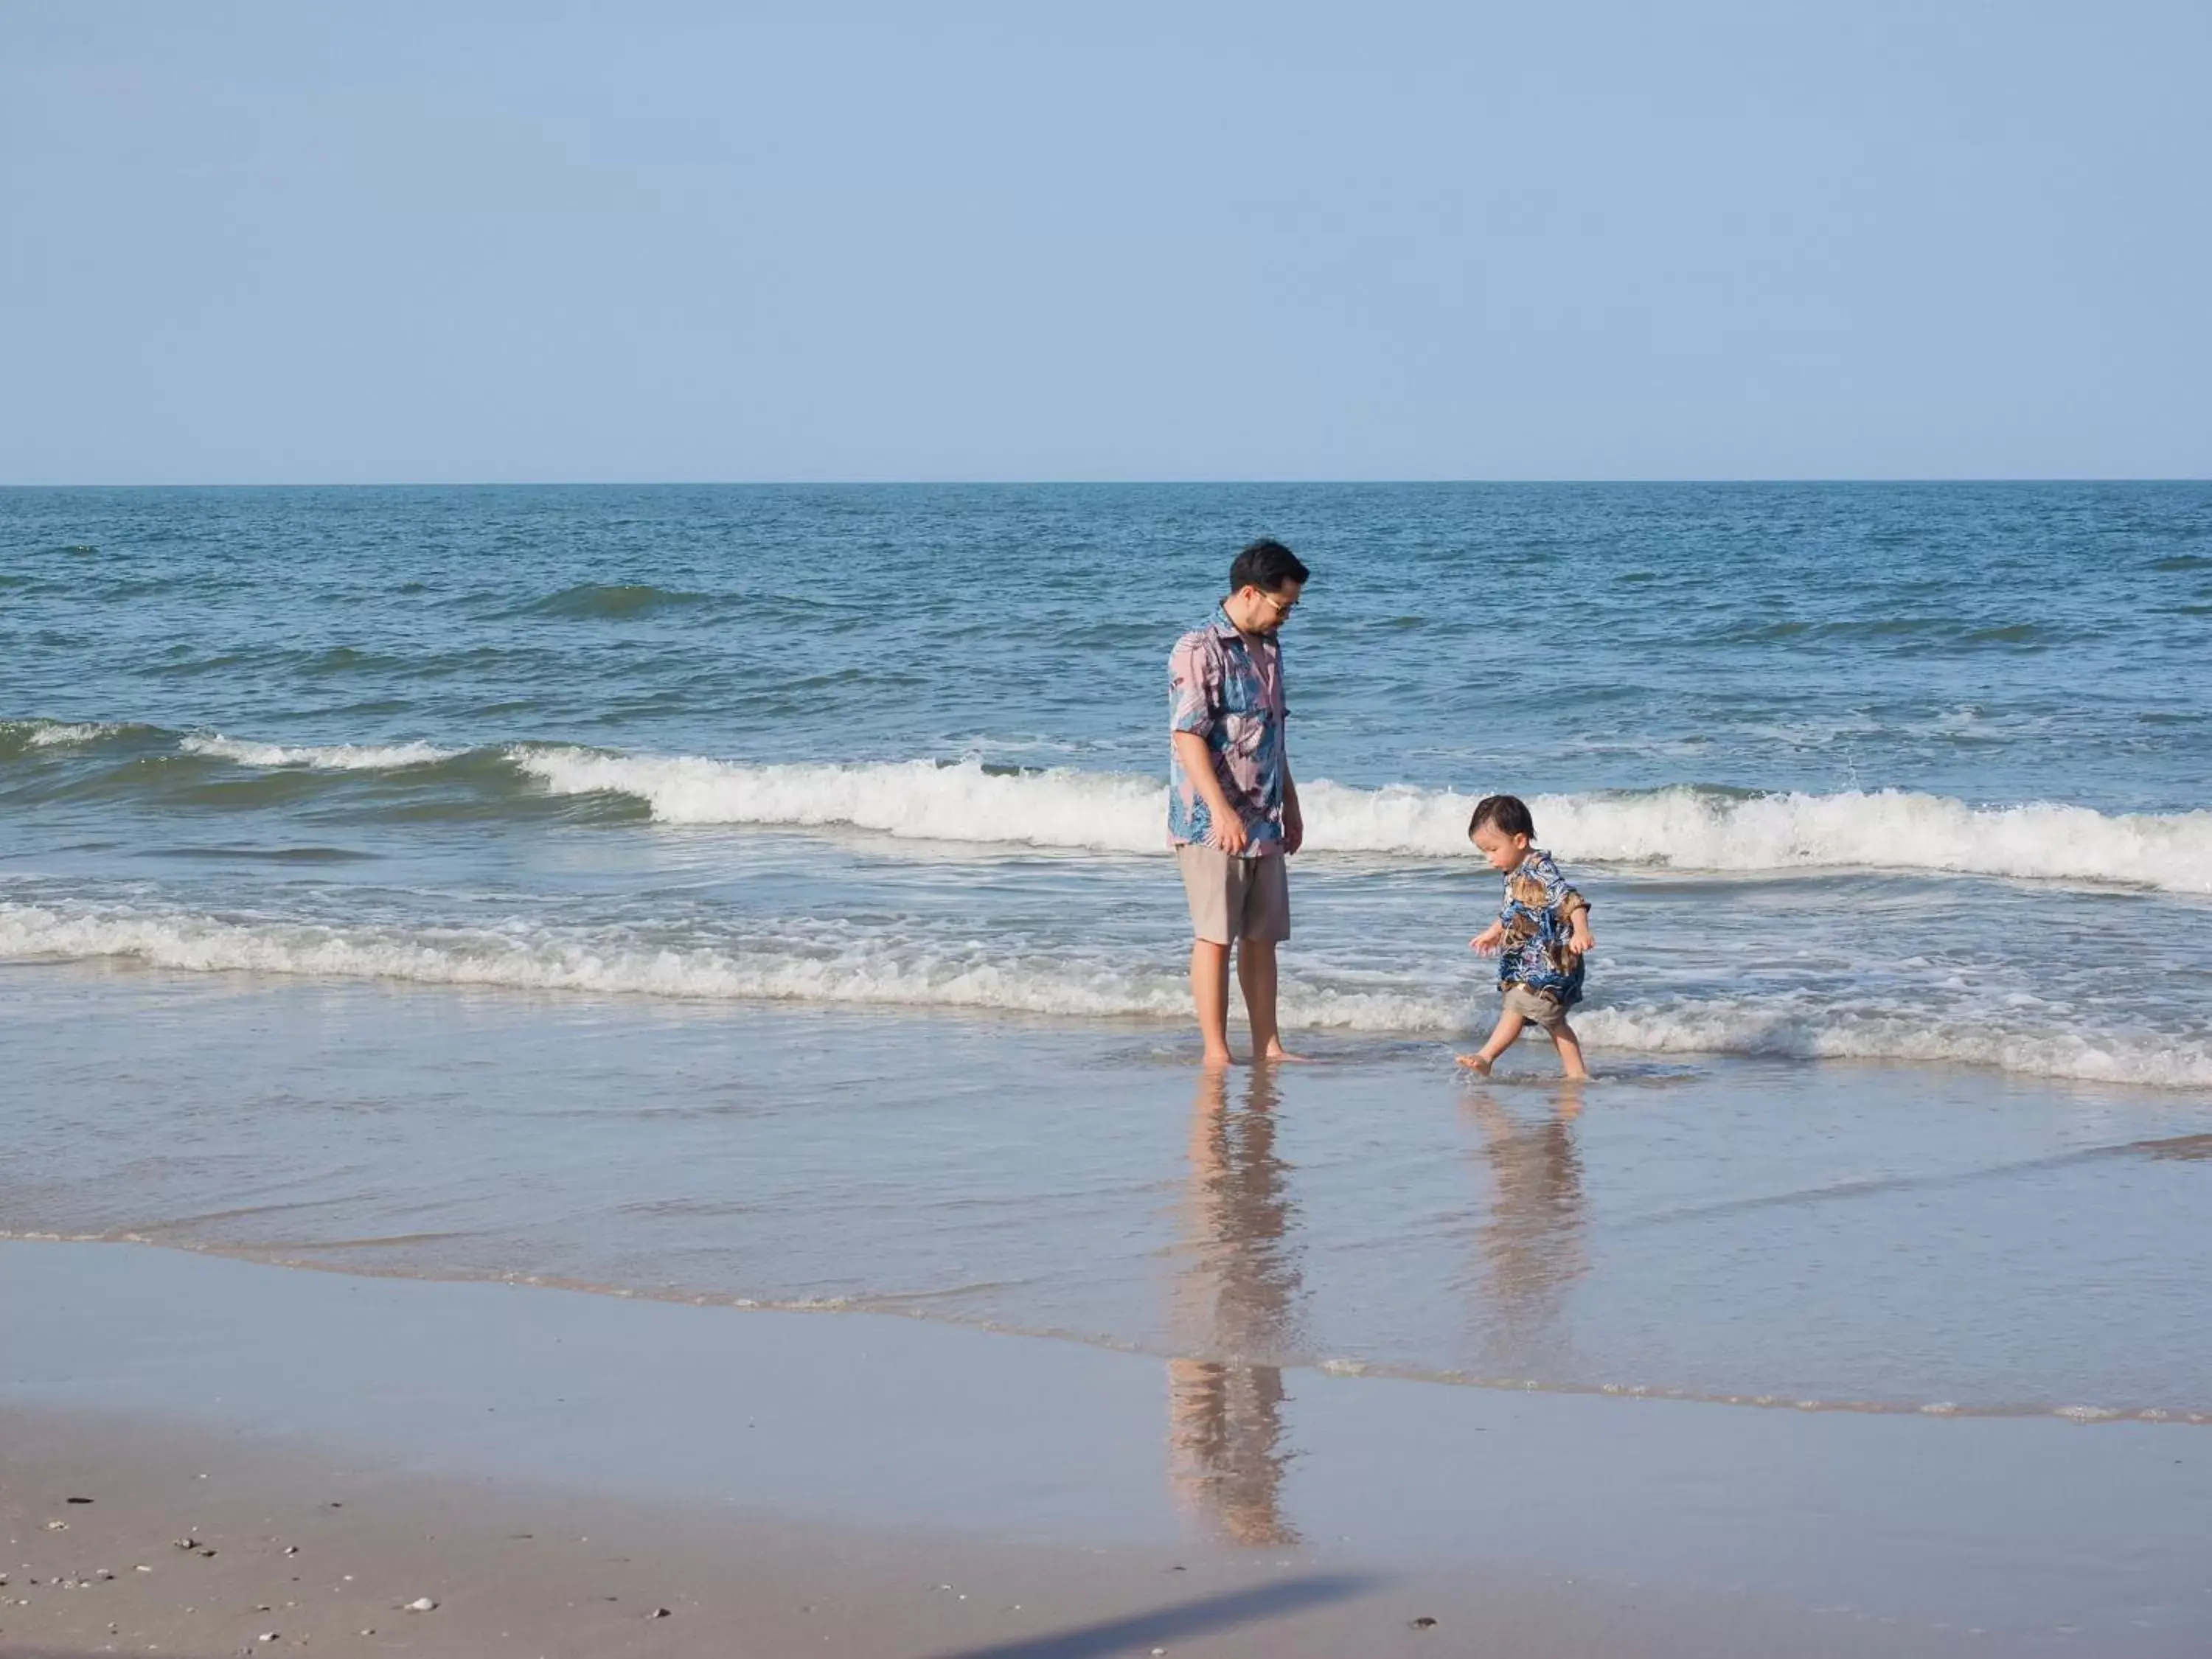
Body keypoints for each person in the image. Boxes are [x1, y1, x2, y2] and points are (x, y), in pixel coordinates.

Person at [1168, 539, 1309, 1066]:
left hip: (1266, 817)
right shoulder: (1198, 648)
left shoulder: (1270, 649)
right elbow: (1187, 736)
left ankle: (1269, 1047)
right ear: (1250, 593)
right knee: (1216, 936)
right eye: (1282, 605)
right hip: (1211, 821)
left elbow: (1274, 735)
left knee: (1262, 937)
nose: (1287, 616)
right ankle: (1216, 1052)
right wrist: (1222, 811)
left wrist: (1290, 802)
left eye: (1292, 607)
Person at [1457, 794, 1596, 1079]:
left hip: (1553, 963)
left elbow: (1571, 901)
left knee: (1531, 1012)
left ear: (1519, 841)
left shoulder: (1541, 870)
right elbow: (1512, 909)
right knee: (1539, 1016)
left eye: (1493, 849)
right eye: (1484, 851)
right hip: (1528, 962)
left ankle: (1488, 1057)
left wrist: (1581, 931)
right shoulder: (1513, 870)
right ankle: (1575, 1075)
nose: (1489, 858)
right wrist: (1494, 932)